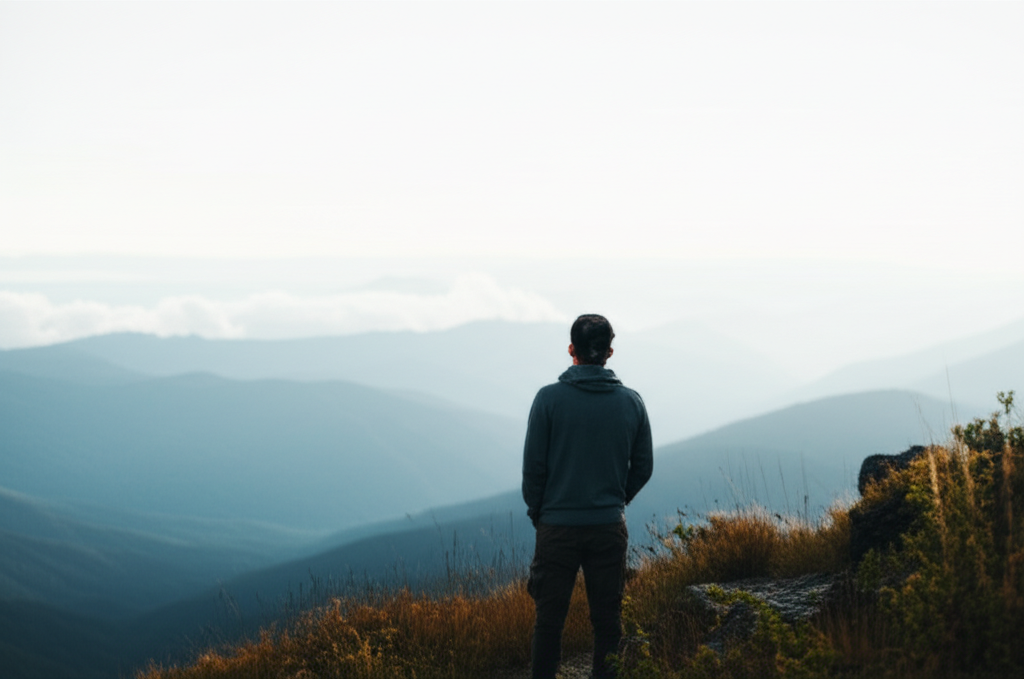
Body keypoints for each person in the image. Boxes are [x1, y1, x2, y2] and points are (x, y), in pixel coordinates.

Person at [522, 314, 654, 679]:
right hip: (608, 527)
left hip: (556, 528)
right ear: (609, 352)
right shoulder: (631, 403)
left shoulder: (548, 400)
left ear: (571, 350)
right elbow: (643, 466)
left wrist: (540, 513)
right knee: (608, 622)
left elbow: (533, 469)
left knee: (549, 622)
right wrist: (616, 500)